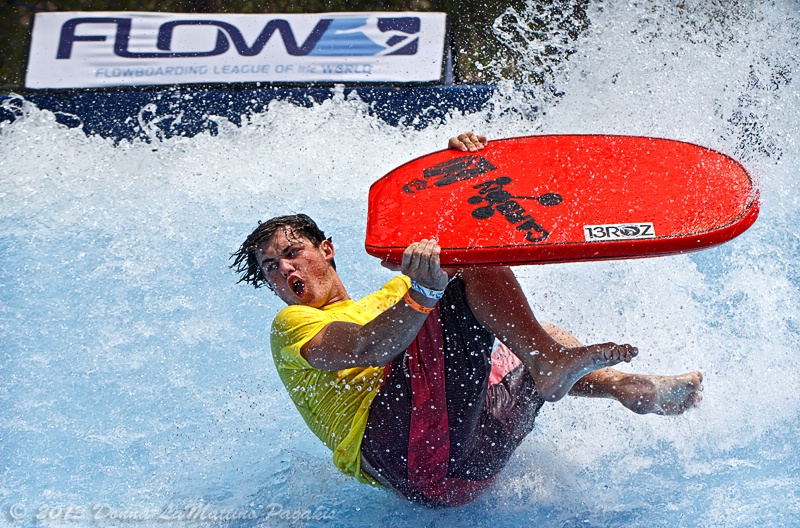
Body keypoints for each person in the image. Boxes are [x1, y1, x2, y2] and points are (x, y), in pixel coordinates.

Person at [230, 132, 703, 508]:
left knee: (528, 332)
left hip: (466, 472)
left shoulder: (400, 290)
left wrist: (462, 169)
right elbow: (363, 348)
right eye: (272, 267)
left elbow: (454, 226)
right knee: (470, 268)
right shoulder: (293, 325)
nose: (286, 269)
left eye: (292, 253)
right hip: (402, 457)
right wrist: (426, 292)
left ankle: (628, 388)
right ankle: (550, 363)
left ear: (327, 250)